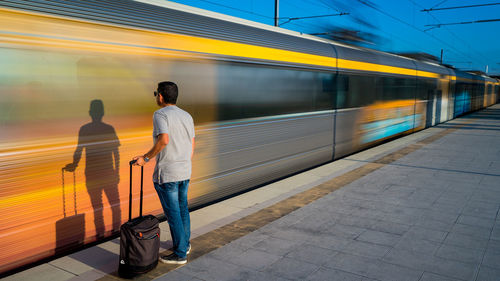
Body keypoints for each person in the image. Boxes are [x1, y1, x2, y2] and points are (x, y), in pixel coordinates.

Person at [132, 81, 195, 265]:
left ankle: (180, 253)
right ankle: (185, 244)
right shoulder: (187, 115)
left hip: (169, 173)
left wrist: (145, 158)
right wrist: (184, 163)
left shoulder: (160, 114)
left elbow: (164, 140)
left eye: (156, 94)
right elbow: (192, 144)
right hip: (185, 170)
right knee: (183, 209)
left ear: (160, 96)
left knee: (173, 213)